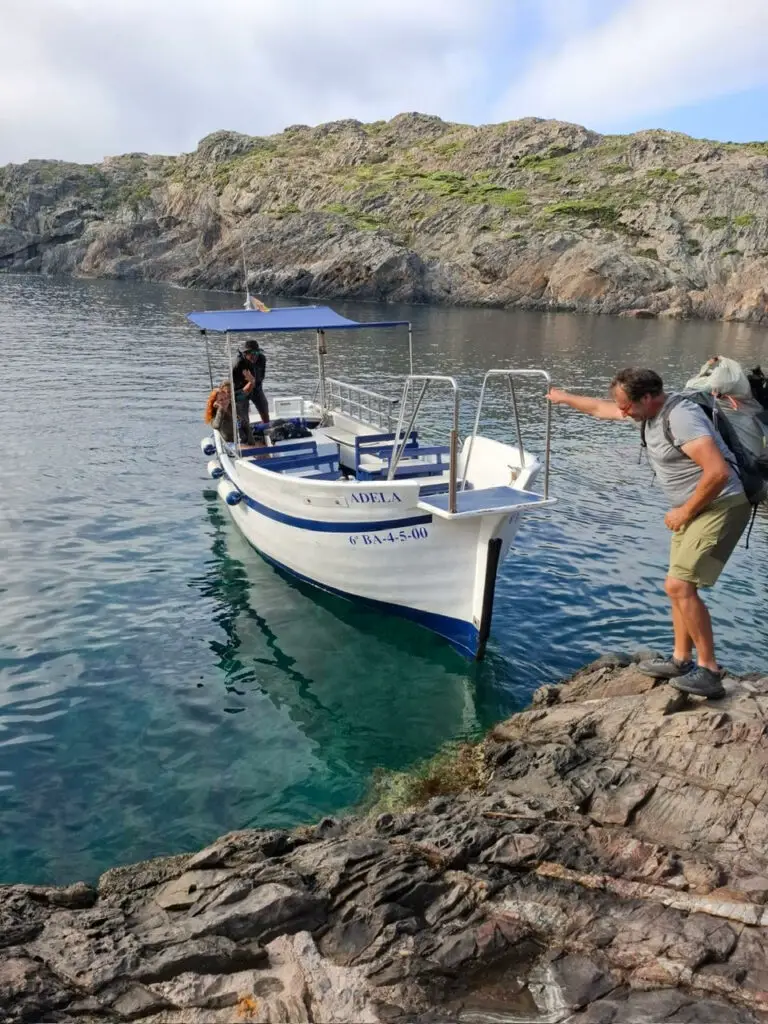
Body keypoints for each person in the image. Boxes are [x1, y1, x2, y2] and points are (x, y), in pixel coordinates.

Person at [547, 368, 751, 699]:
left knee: (679, 585)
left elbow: (717, 472)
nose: (623, 412)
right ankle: (681, 660)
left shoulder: (681, 417)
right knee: (677, 586)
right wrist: (563, 397)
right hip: (695, 509)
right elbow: (600, 409)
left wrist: (685, 511)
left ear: (647, 397)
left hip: (720, 505)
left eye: (626, 405)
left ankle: (710, 671)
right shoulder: (645, 413)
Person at [233, 339, 269, 426]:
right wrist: (245, 393)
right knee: (243, 416)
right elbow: (233, 384)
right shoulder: (238, 363)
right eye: (252, 353)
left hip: (256, 387)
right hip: (242, 390)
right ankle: (245, 431)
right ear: (245, 353)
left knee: (264, 407)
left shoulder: (262, 359)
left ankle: (266, 426)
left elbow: (262, 376)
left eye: (257, 353)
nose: (255, 355)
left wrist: (253, 382)